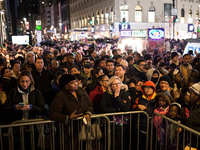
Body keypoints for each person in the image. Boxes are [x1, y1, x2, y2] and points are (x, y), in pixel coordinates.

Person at [48, 74, 93, 150]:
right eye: (72, 83)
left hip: (82, 128)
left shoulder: (82, 91)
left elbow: (90, 105)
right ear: (65, 86)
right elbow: (52, 113)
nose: (76, 84)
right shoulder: (61, 96)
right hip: (68, 131)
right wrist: (68, 118)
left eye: (75, 81)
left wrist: (88, 113)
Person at [188, 82, 200, 148]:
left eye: (191, 94)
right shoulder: (193, 106)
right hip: (193, 141)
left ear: (197, 95)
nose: (189, 95)